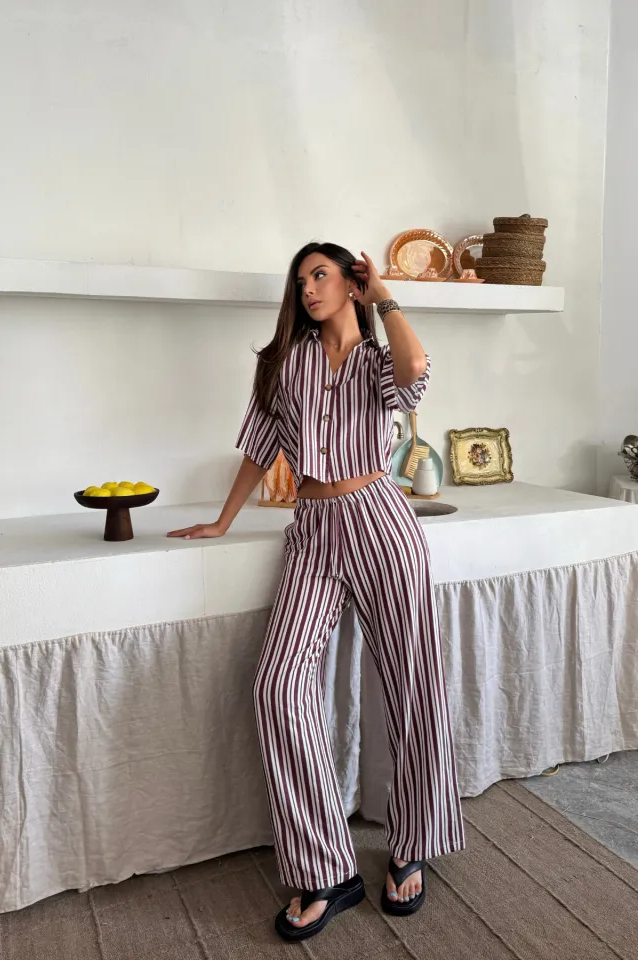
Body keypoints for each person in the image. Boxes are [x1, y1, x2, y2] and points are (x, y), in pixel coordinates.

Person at [168, 242, 465, 942]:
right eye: (301, 279)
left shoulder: (377, 359)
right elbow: (260, 444)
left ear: (351, 283)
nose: (307, 288)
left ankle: (412, 843)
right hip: (314, 528)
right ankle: (328, 868)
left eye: (321, 274)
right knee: (277, 685)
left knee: (414, 681)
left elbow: (416, 370)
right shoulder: (282, 362)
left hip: (381, 520)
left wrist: (383, 294)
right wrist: (223, 520)